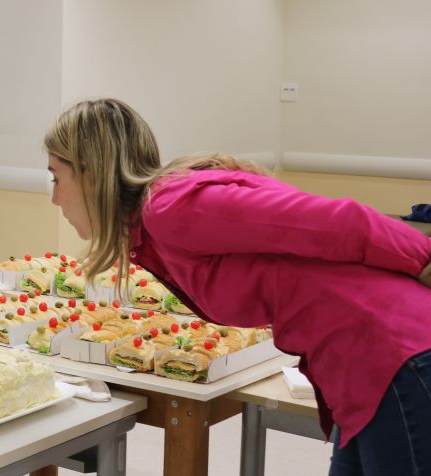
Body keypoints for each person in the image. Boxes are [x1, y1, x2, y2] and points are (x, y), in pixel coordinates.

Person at [44, 98, 431, 476]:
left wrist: (425, 257)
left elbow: (339, 223)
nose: (55, 197)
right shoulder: (153, 224)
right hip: (363, 363)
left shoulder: (171, 209)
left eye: (57, 178)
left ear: (91, 174)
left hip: (391, 351)